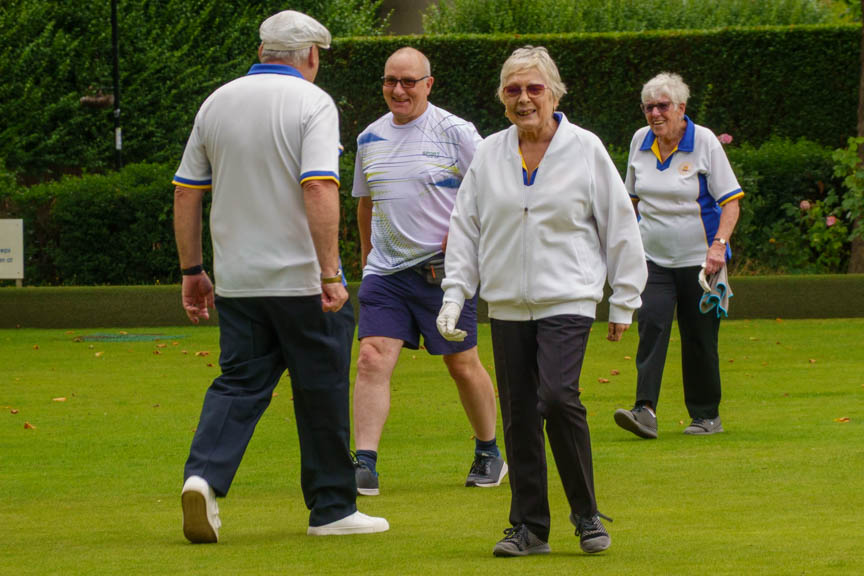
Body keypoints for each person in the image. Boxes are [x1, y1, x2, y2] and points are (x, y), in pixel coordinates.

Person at [172, 10, 388, 542]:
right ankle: (332, 510)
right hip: (301, 283)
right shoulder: (313, 102)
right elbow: (319, 186)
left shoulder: (216, 101)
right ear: (311, 55)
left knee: (239, 383)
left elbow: (185, 192)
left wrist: (192, 271)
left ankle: (203, 479)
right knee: (320, 388)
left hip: (241, 282)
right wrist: (332, 273)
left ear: (264, 49)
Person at [437, 46, 647, 557]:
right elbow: (465, 228)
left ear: (554, 92)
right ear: (502, 98)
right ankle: (528, 527)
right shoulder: (489, 152)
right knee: (518, 415)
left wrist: (624, 299)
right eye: (513, 90)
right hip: (507, 304)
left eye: (534, 88)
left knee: (556, 397)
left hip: (568, 298)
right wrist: (454, 291)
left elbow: (619, 224)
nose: (524, 98)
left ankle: (586, 515)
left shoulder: (586, 148)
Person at [351, 46, 505, 496]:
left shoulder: (456, 131)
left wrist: (462, 237)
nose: (398, 91)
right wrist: (366, 257)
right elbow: (366, 202)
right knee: (371, 357)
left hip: (443, 273)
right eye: (389, 81)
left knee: (461, 363)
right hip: (385, 272)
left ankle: (489, 452)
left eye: (408, 82)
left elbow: (492, 192)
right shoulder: (368, 138)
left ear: (428, 84)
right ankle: (365, 464)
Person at [613, 72, 743, 440]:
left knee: (699, 336)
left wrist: (718, 245)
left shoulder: (703, 142)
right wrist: (627, 244)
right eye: (648, 106)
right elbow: (632, 200)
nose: (654, 113)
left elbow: (730, 202)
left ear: (681, 108)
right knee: (651, 326)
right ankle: (645, 411)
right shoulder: (640, 141)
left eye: (662, 106)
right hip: (653, 259)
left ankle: (706, 416)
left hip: (702, 263)